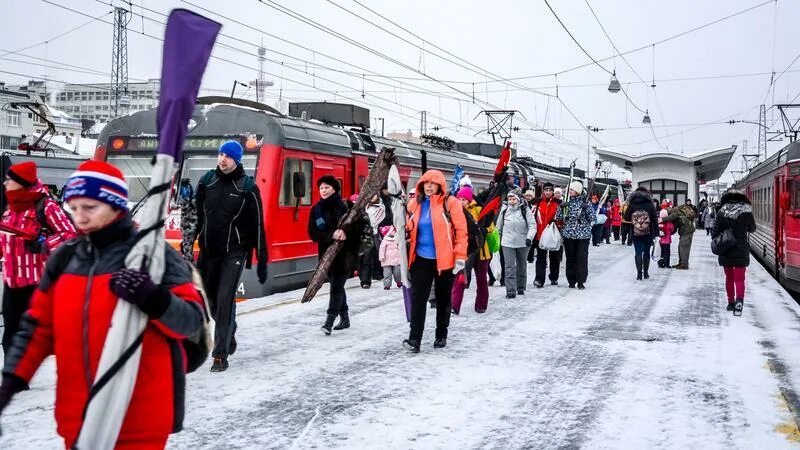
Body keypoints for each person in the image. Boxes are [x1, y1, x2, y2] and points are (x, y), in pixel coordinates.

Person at [0, 160, 203, 448]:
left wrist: (153, 298)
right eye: (74, 207)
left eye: (90, 207)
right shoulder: (65, 259)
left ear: (115, 205)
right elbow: (38, 328)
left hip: (138, 421)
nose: (79, 217)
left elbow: (191, 323)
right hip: (79, 421)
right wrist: (10, 383)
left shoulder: (151, 256)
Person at [194, 140, 268, 372]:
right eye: (220, 154)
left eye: (228, 156)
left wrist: (261, 258)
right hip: (208, 252)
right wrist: (188, 246)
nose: (222, 159)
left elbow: (257, 224)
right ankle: (230, 328)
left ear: (236, 160)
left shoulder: (246, 187)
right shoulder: (207, 181)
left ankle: (220, 355)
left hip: (234, 253)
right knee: (207, 302)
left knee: (225, 300)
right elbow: (195, 217)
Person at [0, 161, 76, 355]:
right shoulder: (12, 206)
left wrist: (44, 245)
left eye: (9, 180)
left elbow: (70, 236)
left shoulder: (46, 206)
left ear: (22, 182)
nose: (5, 183)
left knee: (30, 332)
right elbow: (5, 238)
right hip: (12, 281)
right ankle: (14, 376)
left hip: (36, 281)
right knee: (10, 332)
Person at [403, 170, 467, 352]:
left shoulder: (451, 203)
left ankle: (441, 334)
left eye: (433, 183)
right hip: (420, 259)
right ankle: (414, 339)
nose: (429, 186)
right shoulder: (415, 204)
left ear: (440, 185)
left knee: (442, 298)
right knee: (418, 299)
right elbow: (408, 228)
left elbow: (461, 232)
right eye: (426, 183)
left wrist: (460, 257)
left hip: (445, 261)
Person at [308, 175, 369, 334]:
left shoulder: (346, 206)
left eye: (327, 187)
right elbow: (313, 233)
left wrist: (345, 232)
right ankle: (345, 318)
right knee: (338, 286)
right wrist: (331, 234)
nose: (323, 190)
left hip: (346, 254)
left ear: (334, 188)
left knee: (336, 286)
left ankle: (329, 322)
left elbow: (360, 226)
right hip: (326, 255)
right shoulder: (316, 210)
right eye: (321, 188)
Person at [712, 189, 756, 315]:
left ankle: (731, 302)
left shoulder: (721, 212)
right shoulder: (746, 212)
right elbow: (752, 229)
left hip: (726, 249)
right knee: (740, 278)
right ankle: (739, 301)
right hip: (741, 249)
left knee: (729, 278)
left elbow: (714, 233)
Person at [451, 185, 491, 313]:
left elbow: (490, 227)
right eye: (459, 199)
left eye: (463, 199)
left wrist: (482, 230)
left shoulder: (479, 210)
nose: (461, 201)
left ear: (469, 199)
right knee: (460, 277)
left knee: (481, 279)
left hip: (481, 250)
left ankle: (481, 304)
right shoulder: (455, 211)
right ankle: (455, 305)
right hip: (463, 250)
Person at [497, 189, 536, 298]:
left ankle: (520, 286)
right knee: (509, 267)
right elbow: (498, 227)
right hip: (507, 242)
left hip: (523, 242)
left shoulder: (525, 210)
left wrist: (529, 238)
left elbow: (533, 226)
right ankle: (510, 290)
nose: (512, 201)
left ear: (519, 200)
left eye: (514, 199)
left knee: (521, 265)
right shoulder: (504, 210)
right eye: (510, 199)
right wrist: (497, 241)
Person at [555, 180, 594, 289]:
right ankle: (571, 280)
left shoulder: (586, 203)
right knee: (570, 258)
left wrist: (587, 209)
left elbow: (592, 218)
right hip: (569, 234)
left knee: (581, 258)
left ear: (577, 191)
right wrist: (561, 208)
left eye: (572, 190)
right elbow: (558, 218)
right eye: (569, 190)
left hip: (583, 235)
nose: (570, 191)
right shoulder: (567, 203)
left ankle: (581, 280)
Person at [623, 187, 658, 280]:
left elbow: (626, 218)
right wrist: (657, 233)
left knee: (638, 252)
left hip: (636, 233)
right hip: (648, 233)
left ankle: (639, 274)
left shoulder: (632, 204)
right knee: (646, 253)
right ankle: (646, 273)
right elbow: (655, 219)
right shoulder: (650, 204)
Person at [531, 181, 562, 287]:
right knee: (540, 258)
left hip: (553, 234)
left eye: (550, 190)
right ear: (543, 191)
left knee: (554, 258)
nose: (548, 192)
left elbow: (562, 219)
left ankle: (554, 277)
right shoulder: (538, 203)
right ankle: (539, 279)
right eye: (546, 190)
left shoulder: (558, 203)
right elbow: (533, 218)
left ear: (553, 191)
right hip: (540, 234)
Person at [361, 191, 393, 288]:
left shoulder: (383, 207)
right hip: (367, 235)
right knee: (366, 257)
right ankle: (365, 281)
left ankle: (378, 274)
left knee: (378, 255)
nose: (371, 197)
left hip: (379, 234)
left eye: (373, 195)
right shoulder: (365, 208)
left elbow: (389, 219)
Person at [661, 201, 697, 270]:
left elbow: (670, 218)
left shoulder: (674, 212)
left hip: (687, 231)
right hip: (685, 231)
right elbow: (674, 227)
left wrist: (661, 219)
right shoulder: (677, 211)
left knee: (684, 248)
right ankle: (681, 263)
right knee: (681, 247)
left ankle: (684, 264)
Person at [378, 225, 402, 290]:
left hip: (396, 259)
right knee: (387, 274)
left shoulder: (397, 239)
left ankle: (399, 281)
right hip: (386, 260)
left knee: (398, 272)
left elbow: (400, 247)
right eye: (393, 231)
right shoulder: (384, 241)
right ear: (389, 233)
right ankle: (387, 285)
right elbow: (381, 249)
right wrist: (381, 257)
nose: (395, 231)